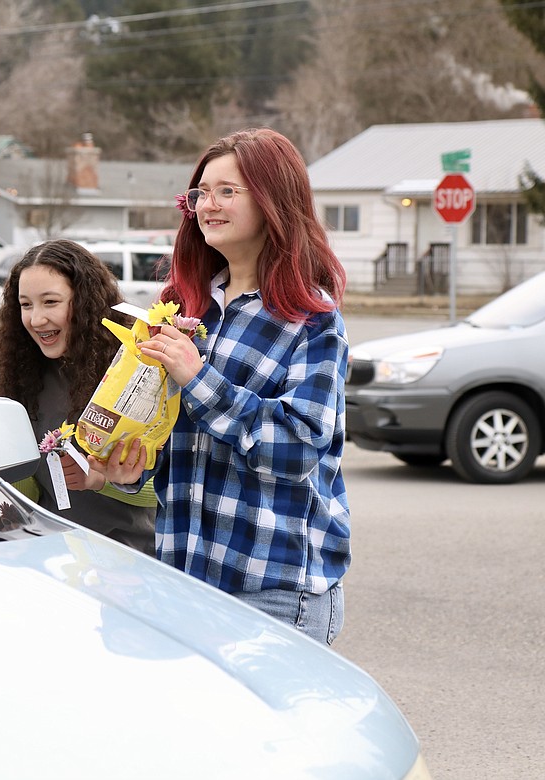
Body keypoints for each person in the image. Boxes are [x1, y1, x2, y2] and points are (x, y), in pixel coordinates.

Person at [94, 128, 352, 644]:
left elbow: (297, 450)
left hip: (272, 590)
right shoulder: (186, 309)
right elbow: (178, 448)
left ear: (274, 199)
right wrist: (131, 470)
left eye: (227, 191)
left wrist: (198, 378)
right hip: (185, 578)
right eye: (200, 193)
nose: (207, 205)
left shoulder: (311, 320)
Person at [0, 239, 156, 555]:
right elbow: (27, 487)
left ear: (85, 302)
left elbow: (168, 487)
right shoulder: (16, 377)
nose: (36, 319)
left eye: (51, 302)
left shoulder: (135, 371)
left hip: (127, 564)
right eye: (25, 305)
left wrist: (101, 479)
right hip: (50, 558)